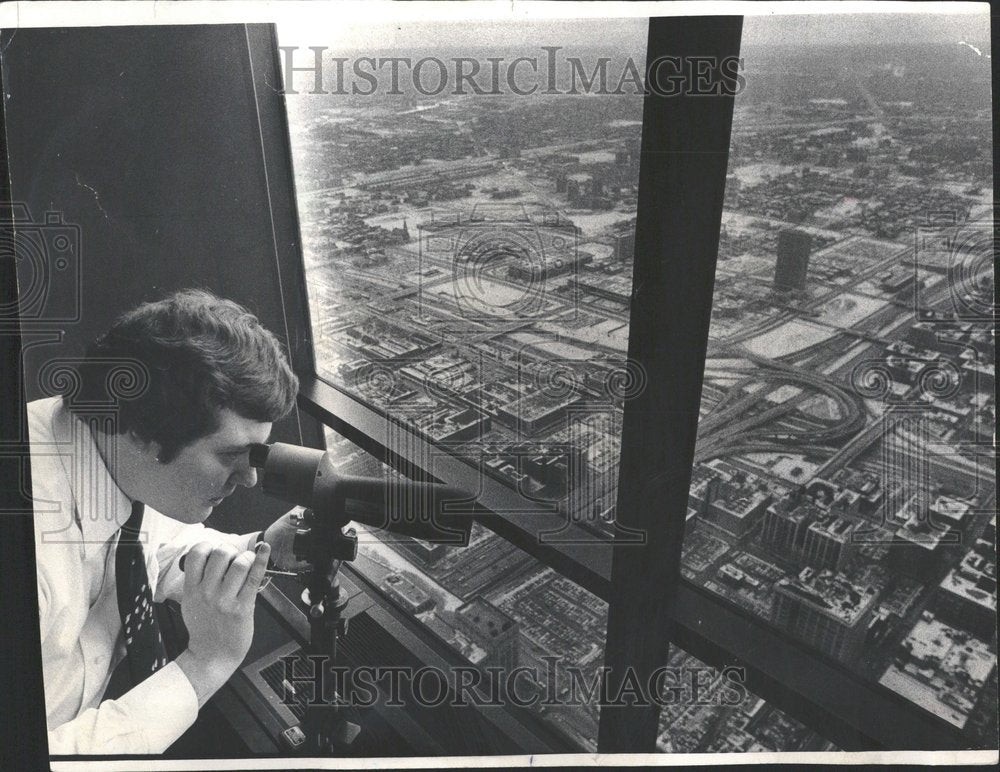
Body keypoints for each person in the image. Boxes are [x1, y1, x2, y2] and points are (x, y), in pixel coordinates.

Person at [29, 289, 308, 754]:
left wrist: (261, 547)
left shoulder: (114, 453)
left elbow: (153, 546)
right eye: (231, 456)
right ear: (142, 434)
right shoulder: (32, 553)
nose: (251, 478)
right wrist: (204, 665)